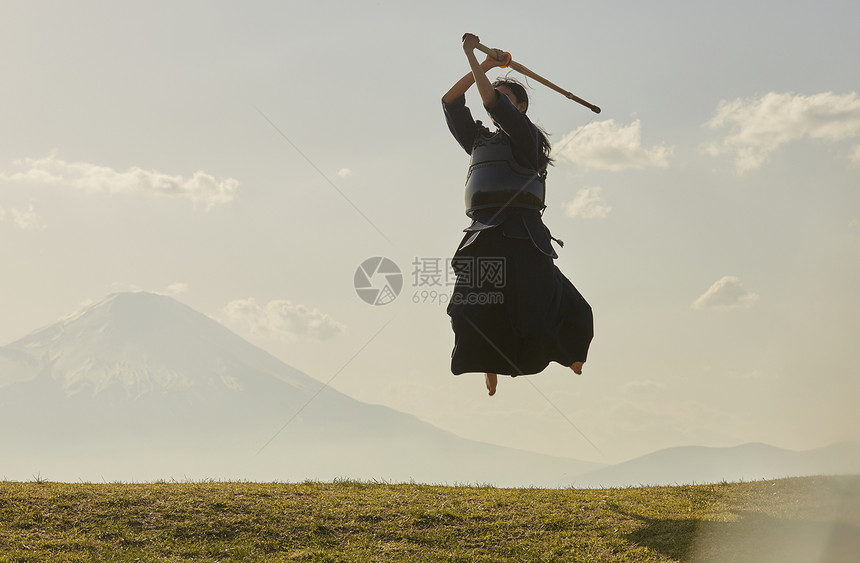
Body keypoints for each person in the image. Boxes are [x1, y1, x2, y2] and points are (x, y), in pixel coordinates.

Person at [442, 33, 593, 396]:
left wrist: (481, 63)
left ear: (521, 108)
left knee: (536, 302)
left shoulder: (527, 139)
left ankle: (569, 351)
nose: (492, 105)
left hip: (522, 231)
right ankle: (487, 362)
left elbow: (491, 102)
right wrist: (476, 59)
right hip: (483, 232)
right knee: (469, 305)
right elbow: (450, 102)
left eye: (508, 100)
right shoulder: (479, 141)